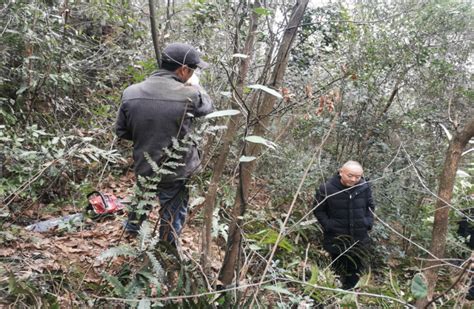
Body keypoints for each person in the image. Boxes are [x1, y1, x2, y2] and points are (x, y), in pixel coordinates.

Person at [115, 42, 213, 245]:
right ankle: (167, 250)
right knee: (172, 214)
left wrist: (147, 137)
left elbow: (122, 131)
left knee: (141, 200)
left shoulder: (130, 92)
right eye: (193, 70)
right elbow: (208, 108)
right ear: (184, 70)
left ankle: (131, 236)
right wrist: (196, 85)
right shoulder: (191, 94)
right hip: (176, 170)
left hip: (144, 164)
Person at [313, 161, 375, 289]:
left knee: (355, 269)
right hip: (336, 237)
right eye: (350, 176)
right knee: (337, 268)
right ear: (341, 172)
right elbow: (318, 210)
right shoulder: (327, 188)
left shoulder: (364, 187)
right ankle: (334, 294)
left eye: (358, 177)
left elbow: (370, 206)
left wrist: (367, 223)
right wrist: (328, 225)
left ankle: (350, 296)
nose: (354, 180)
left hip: (359, 237)